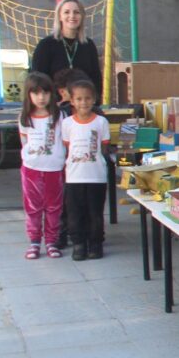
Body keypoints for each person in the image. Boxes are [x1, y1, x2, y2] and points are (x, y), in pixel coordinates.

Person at [60, 79, 110, 261]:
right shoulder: (66, 124)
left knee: (95, 213)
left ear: (94, 99)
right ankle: (79, 244)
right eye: (79, 99)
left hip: (96, 176)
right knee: (75, 213)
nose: (84, 103)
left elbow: (104, 147)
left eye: (88, 98)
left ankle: (95, 243)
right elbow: (67, 147)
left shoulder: (101, 122)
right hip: (74, 177)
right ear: (72, 101)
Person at [18, 73, 66, 259]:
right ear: (29, 95)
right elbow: (24, 142)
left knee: (54, 207)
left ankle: (52, 241)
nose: (41, 97)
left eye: (45, 92)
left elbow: (64, 139)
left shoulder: (59, 115)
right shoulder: (24, 117)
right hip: (31, 169)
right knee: (32, 207)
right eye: (36, 93)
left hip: (54, 168)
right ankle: (34, 241)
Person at [32, 0, 101, 102]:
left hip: (82, 107)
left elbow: (96, 79)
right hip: (55, 106)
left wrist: (94, 103)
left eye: (76, 12)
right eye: (67, 12)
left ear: (82, 16)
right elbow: (38, 79)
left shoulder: (88, 45)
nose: (72, 16)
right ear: (59, 16)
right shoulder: (46, 45)